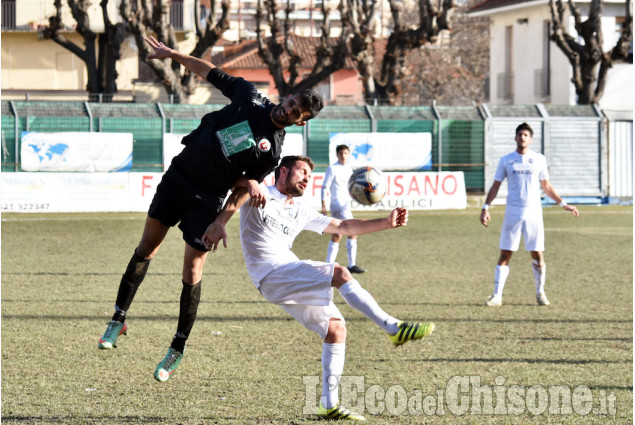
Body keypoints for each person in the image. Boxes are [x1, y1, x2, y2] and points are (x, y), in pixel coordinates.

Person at [97, 36, 324, 383]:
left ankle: (177, 348)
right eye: (289, 101)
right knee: (146, 248)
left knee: (192, 271)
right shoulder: (249, 95)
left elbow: (244, 189)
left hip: (208, 197)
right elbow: (209, 71)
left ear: (301, 121)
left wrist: (222, 219)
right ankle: (118, 320)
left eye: (295, 112)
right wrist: (172, 54)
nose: (286, 109)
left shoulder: (272, 153)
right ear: (287, 95)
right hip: (179, 176)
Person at [203, 155, 435, 421]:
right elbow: (231, 183)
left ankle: (329, 404)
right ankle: (393, 327)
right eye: (302, 172)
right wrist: (248, 185)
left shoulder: (299, 210)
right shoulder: (259, 193)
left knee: (336, 328)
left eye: (309, 176)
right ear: (283, 171)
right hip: (270, 273)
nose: (306, 178)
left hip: (285, 275)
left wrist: (386, 222)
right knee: (339, 272)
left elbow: (343, 226)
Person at [480, 122, 579, 307]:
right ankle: (497, 295)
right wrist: (485, 207)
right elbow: (496, 186)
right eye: (520, 134)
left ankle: (540, 292)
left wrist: (563, 204)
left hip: (534, 212)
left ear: (531, 139)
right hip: (513, 212)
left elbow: (546, 186)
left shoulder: (539, 159)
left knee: (537, 253)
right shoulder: (506, 160)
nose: (522, 138)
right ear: (515, 138)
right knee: (505, 253)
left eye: (526, 135)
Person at [321, 144, 366, 273]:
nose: (343, 156)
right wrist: (323, 206)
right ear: (337, 155)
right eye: (341, 153)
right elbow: (325, 187)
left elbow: (351, 187)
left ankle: (329, 265)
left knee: (337, 234)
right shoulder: (332, 169)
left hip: (345, 205)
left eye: (345, 153)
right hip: (337, 204)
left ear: (349, 154)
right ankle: (351, 265)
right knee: (352, 232)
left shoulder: (349, 169)